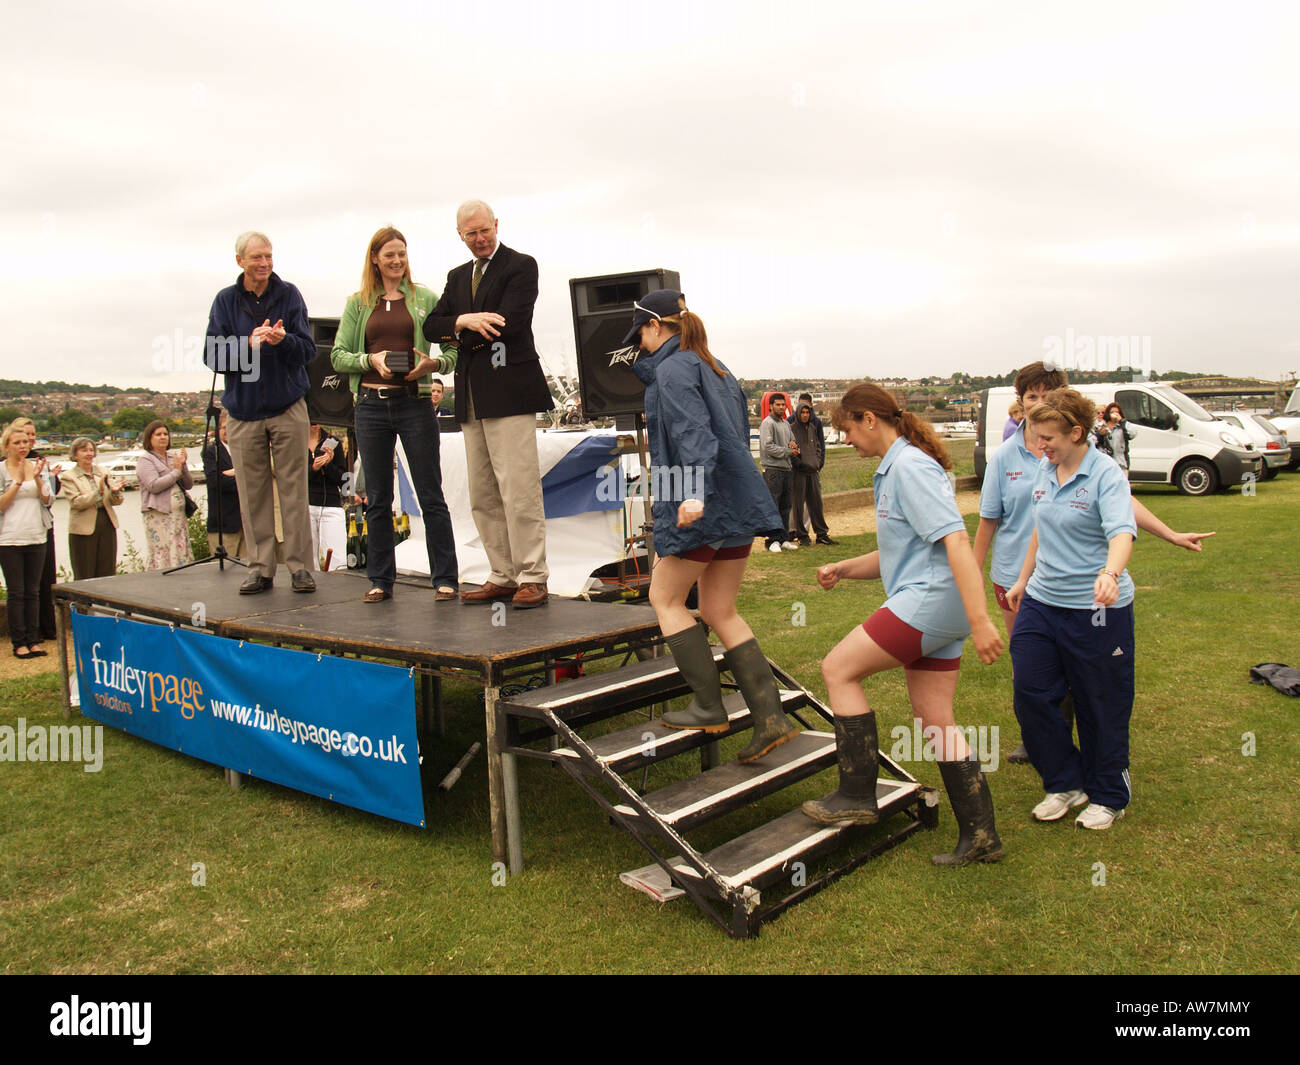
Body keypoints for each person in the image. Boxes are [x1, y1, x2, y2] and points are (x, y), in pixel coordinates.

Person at [802, 384, 1005, 867]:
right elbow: (903, 551)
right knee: (934, 716)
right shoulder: (900, 465)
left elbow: (956, 542)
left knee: (838, 670)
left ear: (870, 419)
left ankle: (855, 794)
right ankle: (981, 835)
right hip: (938, 601)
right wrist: (844, 568)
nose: (845, 440)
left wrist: (981, 621)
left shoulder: (908, 467)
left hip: (932, 602)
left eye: (847, 429)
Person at [974, 363, 1215, 764]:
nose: (1038, 404)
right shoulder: (1005, 457)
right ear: (1022, 402)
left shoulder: (1084, 457)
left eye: (1046, 398)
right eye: (1030, 397)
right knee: (1031, 665)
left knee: (1076, 669)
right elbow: (988, 521)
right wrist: (972, 581)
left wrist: (1168, 533)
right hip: (1016, 579)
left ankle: (1075, 746)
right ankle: (1038, 739)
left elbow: (1121, 506)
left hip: (1075, 582)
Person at [627, 289, 798, 763]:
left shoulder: (672, 368)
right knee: (720, 610)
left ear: (656, 327)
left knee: (665, 598)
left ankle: (707, 705)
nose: (638, 344)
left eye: (639, 333)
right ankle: (771, 718)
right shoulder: (715, 363)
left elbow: (693, 434)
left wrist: (694, 494)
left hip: (701, 503)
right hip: (737, 502)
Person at [1006, 388, 1138, 830]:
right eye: (1036, 437)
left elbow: (1122, 531)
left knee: (1100, 702)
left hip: (1096, 609)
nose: (1039, 446)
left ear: (1076, 432)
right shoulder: (1047, 470)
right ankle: (1064, 782)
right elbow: (1040, 531)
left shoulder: (1106, 476)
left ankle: (1108, 794)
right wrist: (1024, 580)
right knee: (1030, 691)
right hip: (1043, 602)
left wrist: (1111, 574)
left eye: (1047, 438)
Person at [422, 200, 553, 608]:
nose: (479, 239)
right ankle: (503, 574)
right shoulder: (457, 276)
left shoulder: (521, 266)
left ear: (496, 225)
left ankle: (533, 574)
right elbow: (432, 325)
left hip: (510, 391)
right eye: (471, 233)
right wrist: (463, 321)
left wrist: (461, 328)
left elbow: (508, 323)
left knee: (519, 489)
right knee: (483, 493)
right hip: (472, 397)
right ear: (459, 234)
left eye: (484, 230)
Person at [330, 227, 459, 601]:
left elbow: (453, 350)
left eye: (402, 253)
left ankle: (445, 579)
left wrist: (432, 363)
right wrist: (371, 360)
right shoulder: (358, 304)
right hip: (370, 405)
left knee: (430, 493)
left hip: (414, 403)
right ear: (375, 258)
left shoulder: (426, 298)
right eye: (389, 254)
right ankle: (379, 580)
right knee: (378, 497)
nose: (397, 260)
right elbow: (338, 356)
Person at [203, 231, 316, 595]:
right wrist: (247, 345)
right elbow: (212, 356)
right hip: (243, 411)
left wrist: (283, 341)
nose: (265, 263)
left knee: (294, 491)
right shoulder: (224, 301)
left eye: (268, 256)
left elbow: (309, 351)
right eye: (257, 258)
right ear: (240, 261)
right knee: (252, 494)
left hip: (288, 407)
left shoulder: (290, 295)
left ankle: (300, 569)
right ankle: (261, 568)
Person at [0, 419, 54, 658]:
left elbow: (48, 499)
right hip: (9, 538)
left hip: (36, 535)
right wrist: (19, 481)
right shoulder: (2, 470)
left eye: (25, 442)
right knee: (16, 592)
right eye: (17, 442)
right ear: (7, 446)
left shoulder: (36, 466)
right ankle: (19, 642)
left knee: (33, 591)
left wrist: (40, 477)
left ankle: (34, 640)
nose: (23, 446)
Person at [60, 437, 124, 579]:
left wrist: (115, 492)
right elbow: (76, 502)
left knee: (107, 570)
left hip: (107, 523)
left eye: (91, 450)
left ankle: (104, 600)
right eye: (84, 450)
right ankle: (83, 601)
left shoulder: (103, 472)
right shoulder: (68, 476)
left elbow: (116, 501)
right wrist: (98, 493)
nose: (89, 454)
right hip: (83, 529)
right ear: (75, 455)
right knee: (85, 571)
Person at [136, 421, 194, 571]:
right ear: (149, 438)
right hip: (159, 515)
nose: (163, 437)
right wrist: (176, 471)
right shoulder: (146, 460)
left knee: (179, 551)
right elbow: (153, 486)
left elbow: (188, 484)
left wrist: (183, 465)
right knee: (164, 552)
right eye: (158, 434)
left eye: (165, 434)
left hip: (178, 516)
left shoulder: (171, 457)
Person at [790, 399, 836, 546]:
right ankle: (802, 535)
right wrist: (799, 464)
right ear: (798, 413)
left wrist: (817, 462)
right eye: (802, 412)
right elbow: (791, 451)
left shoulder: (812, 428)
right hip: (799, 473)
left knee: (816, 503)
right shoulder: (791, 429)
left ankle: (821, 534)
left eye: (807, 412)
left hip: (813, 471)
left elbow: (818, 447)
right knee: (798, 505)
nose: (805, 415)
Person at [202, 410, 244, 561]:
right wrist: (242, 476)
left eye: (231, 426)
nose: (227, 431)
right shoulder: (211, 452)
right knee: (223, 570)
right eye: (224, 427)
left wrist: (233, 473)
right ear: (217, 430)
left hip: (245, 524)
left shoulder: (243, 451)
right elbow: (216, 482)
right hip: (224, 524)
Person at [759, 394, 798, 552]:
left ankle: (783, 538)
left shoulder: (786, 424)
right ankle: (772, 540)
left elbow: (792, 441)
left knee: (786, 506)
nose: (781, 407)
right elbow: (768, 446)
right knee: (773, 506)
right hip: (772, 470)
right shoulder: (767, 424)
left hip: (786, 469)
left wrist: (794, 447)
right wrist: (788, 451)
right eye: (778, 405)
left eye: (783, 405)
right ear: (771, 406)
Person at [307, 424, 348, 572]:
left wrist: (328, 465)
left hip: (331, 503)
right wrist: (314, 468)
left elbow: (344, 479)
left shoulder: (333, 442)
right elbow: (293, 477)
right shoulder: (296, 441)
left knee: (337, 555)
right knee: (308, 557)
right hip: (306, 503)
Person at [1095, 401, 1134, 473]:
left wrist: (1121, 421)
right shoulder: (1100, 425)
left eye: (1117, 412)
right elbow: (1093, 442)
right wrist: (1100, 435)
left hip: (1121, 463)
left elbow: (1132, 434)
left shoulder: (1123, 425)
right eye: (1112, 412)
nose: (1114, 414)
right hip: (1104, 463)